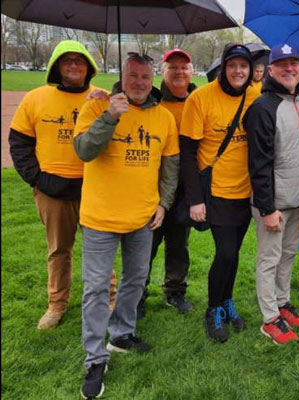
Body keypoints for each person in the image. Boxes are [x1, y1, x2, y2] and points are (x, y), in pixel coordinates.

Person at [74, 52, 180, 399]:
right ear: (123, 75)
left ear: (153, 79)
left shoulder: (163, 117)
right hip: (100, 218)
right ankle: (95, 358)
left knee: (136, 280)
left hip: (143, 217)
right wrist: (109, 117)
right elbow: (84, 151)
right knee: (96, 289)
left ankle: (121, 334)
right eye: (133, 75)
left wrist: (163, 204)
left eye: (145, 77)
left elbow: (170, 166)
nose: (139, 82)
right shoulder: (97, 107)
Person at [8, 40, 117, 330]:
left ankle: (110, 300)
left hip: (94, 187)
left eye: (80, 61)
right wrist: (38, 178)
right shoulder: (35, 98)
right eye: (67, 60)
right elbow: (19, 144)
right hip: (52, 189)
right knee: (59, 250)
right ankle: (56, 304)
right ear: (57, 65)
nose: (73, 65)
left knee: (101, 248)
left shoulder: (101, 98)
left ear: (89, 67)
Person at [179, 43, 258, 343]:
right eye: (232, 65)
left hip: (245, 191)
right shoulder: (201, 98)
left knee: (234, 253)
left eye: (244, 66)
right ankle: (213, 309)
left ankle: (227, 301)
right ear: (223, 68)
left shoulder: (255, 95)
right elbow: (188, 152)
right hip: (216, 192)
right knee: (225, 252)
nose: (238, 71)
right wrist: (195, 199)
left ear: (250, 70)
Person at [244, 43, 299, 345]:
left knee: (288, 255)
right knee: (270, 259)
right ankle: (269, 318)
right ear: (270, 69)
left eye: (294, 63)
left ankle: (282, 302)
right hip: (273, 203)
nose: (289, 69)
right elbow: (258, 163)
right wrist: (267, 207)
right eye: (282, 64)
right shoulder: (263, 107)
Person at [138, 49, 198, 318]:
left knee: (178, 244)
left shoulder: (197, 101)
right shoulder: (150, 99)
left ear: (191, 72)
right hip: (150, 185)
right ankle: (137, 294)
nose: (179, 72)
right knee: (144, 245)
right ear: (163, 72)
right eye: (173, 67)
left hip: (184, 187)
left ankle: (175, 290)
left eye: (184, 67)